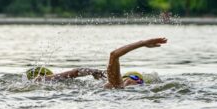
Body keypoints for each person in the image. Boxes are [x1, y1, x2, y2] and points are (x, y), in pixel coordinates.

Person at [26, 37, 168, 89]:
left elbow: (76, 72)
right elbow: (114, 55)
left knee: (42, 80)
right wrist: (143, 43)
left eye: (137, 80)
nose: (134, 81)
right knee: (42, 80)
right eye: (134, 78)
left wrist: (91, 71)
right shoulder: (116, 84)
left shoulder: (115, 85)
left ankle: (40, 79)